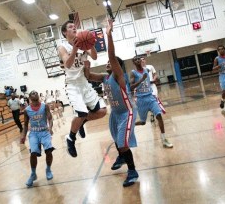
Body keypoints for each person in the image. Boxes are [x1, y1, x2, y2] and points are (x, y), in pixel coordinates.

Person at [84, 19, 139, 187]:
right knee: (117, 139)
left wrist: (108, 35)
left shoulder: (118, 76)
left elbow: (111, 56)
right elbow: (88, 76)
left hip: (127, 112)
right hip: (115, 114)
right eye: (108, 63)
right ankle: (122, 156)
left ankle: (132, 171)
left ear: (118, 67)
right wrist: (85, 59)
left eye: (112, 63)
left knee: (122, 143)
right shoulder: (105, 77)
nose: (108, 63)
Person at [58, 20, 107, 157]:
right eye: (70, 27)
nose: (74, 28)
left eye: (75, 26)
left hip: (84, 83)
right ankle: (71, 138)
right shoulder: (62, 47)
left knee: (102, 111)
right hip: (72, 85)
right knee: (81, 113)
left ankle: (82, 122)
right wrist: (75, 48)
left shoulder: (83, 43)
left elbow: (95, 56)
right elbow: (67, 64)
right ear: (64, 32)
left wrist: (91, 43)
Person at [130, 56, 173, 148]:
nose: (138, 60)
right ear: (134, 63)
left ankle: (164, 139)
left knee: (159, 116)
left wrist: (154, 80)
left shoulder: (147, 70)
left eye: (139, 59)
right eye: (136, 60)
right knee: (143, 122)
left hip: (150, 97)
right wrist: (141, 79)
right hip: (141, 100)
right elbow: (131, 87)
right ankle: (131, 125)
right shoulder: (133, 73)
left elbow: (148, 81)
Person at [20, 91, 54, 187]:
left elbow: (50, 118)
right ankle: (33, 174)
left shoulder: (45, 106)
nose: (35, 101)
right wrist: (23, 135)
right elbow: (26, 124)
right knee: (33, 153)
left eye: (36, 99)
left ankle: (48, 169)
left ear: (38, 98)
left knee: (49, 150)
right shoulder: (27, 110)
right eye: (33, 100)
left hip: (44, 131)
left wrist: (50, 128)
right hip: (34, 133)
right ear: (30, 99)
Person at [141, 57, 162, 122]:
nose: (142, 61)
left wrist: (154, 79)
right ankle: (152, 114)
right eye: (141, 60)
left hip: (152, 86)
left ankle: (157, 113)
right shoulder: (138, 69)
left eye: (143, 59)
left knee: (154, 99)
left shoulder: (150, 66)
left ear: (145, 60)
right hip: (145, 87)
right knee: (149, 102)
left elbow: (155, 74)